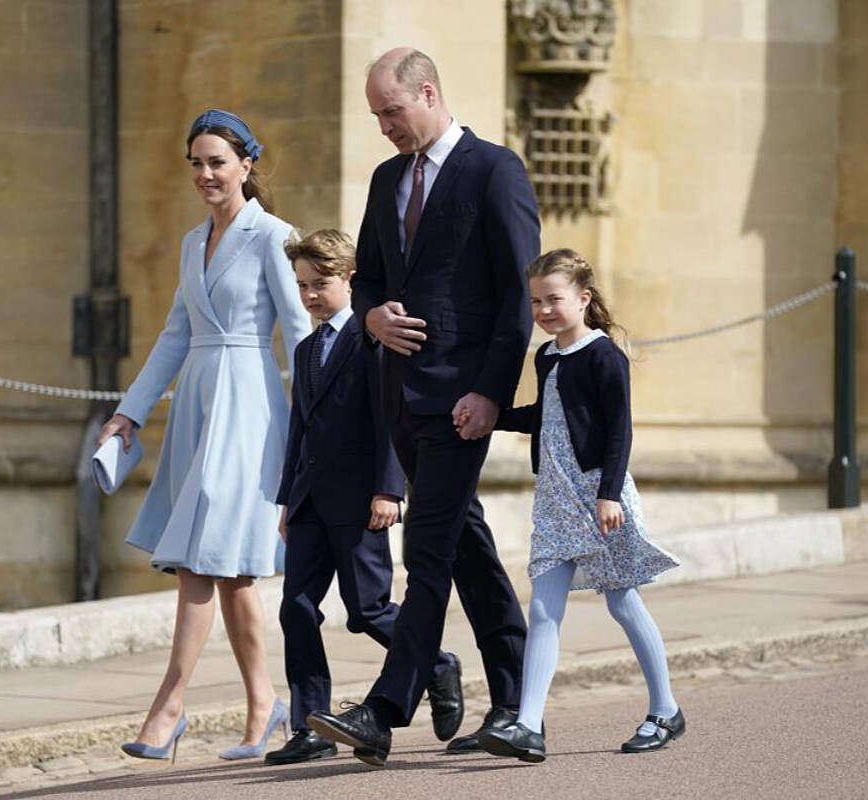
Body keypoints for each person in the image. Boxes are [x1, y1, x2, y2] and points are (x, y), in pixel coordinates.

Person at [306, 48, 536, 766]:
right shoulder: (384, 180)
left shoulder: (494, 170)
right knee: (465, 544)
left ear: (428, 93)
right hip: (399, 400)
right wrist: (369, 319)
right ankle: (516, 701)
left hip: (463, 401)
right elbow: (367, 280)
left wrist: (491, 393)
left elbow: (517, 294)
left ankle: (384, 708)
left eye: (391, 112)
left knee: (427, 547)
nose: (382, 127)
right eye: (375, 114)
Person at [97, 109, 312, 763]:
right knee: (232, 572)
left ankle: (167, 710)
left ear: (247, 164)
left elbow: (301, 334)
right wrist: (128, 414)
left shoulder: (275, 237)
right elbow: (175, 334)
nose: (205, 174)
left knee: (199, 559)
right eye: (195, 162)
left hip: (249, 409)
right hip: (197, 404)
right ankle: (263, 705)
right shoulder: (193, 243)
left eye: (217, 161)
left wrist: (317, 422)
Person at [475, 248, 684, 763]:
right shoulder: (546, 356)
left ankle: (666, 710)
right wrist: (492, 415)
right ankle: (527, 725)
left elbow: (619, 429)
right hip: (554, 496)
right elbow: (547, 417)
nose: (544, 310)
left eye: (554, 299)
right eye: (536, 302)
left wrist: (609, 493)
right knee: (544, 608)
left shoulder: (604, 355)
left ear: (583, 299)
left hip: (596, 495)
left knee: (622, 602)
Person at [267, 229, 460, 765]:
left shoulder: (374, 343)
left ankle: (437, 665)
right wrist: (287, 500)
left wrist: (389, 489)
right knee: (296, 609)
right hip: (308, 502)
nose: (308, 295)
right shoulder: (306, 349)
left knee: (368, 610)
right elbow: (298, 431)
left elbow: (389, 421)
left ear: (350, 280)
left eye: (320, 284)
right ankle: (312, 728)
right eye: (302, 285)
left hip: (360, 501)